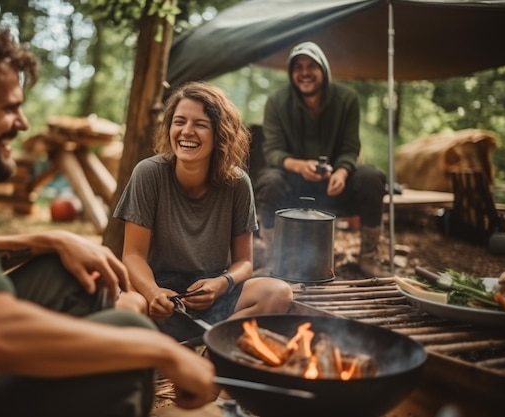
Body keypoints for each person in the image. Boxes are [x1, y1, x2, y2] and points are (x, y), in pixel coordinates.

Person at [0, 16, 216, 417]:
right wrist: (161, 350)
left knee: (73, 271)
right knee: (126, 341)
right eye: (9, 108)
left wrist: (45, 239)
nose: (24, 124)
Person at [113, 81, 294, 340]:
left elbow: (245, 263)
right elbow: (132, 255)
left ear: (220, 133)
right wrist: (153, 292)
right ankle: (162, 349)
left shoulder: (238, 183)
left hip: (213, 295)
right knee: (125, 308)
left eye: (200, 124)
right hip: (158, 294)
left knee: (278, 292)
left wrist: (221, 284)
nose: (187, 131)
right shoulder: (149, 173)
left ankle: (214, 346)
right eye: (179, 121)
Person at [254, 41, 390, 278]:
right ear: (291, 73)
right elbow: (273, 151)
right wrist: (299, 165)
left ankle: (368, 257)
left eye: (311, 66)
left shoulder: (347, 99)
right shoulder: (277, 101)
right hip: (293, 186)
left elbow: (350, 148)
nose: (304, 72)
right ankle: (272, 257)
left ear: (323, 70)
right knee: (269, 179)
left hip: (334, 186)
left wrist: (342, 172)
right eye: (298, 67)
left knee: (372, 176)